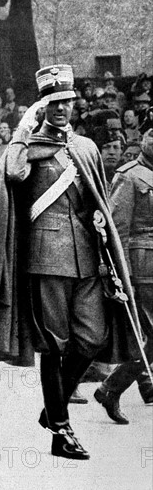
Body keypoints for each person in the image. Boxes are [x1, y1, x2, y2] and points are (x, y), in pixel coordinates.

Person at [0, 64, 140, 460]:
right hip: (45, 258)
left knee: (92, 337)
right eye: (53, 102)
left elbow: (95, 200)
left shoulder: (86, 148)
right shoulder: (27, 149)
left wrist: (100, 226)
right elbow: (11, 173)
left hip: (86, 257)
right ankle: (61, 430)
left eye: (67, 101)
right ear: (41, 107)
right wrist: (19, 133)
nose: (62, 108)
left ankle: (53, 408)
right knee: (54, 343)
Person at [94, 128, 153, 423]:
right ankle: (111, 387)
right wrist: (122, 274)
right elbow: (116, 229)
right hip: (142, 266)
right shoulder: (130, 176)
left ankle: (111, 388)